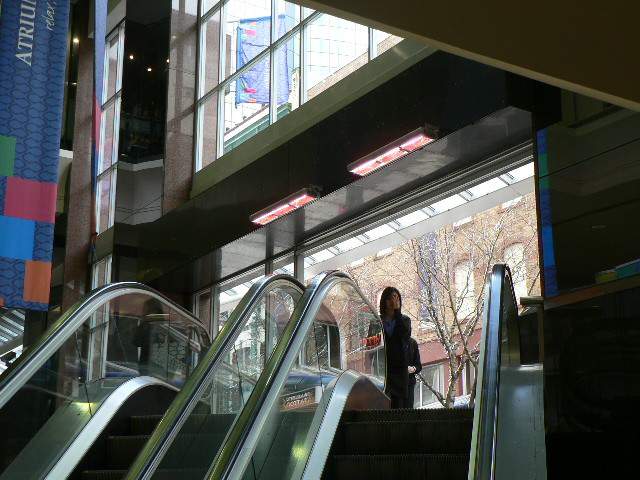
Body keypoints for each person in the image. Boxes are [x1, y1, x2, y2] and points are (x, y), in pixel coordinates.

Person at [378, 286, 412, 409]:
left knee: (398, 406)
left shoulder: (405, 320)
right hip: (382, 369)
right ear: (384, 301)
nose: (393, 301)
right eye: (390, 298)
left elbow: (404, 335)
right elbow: (371, 345)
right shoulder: (377, 321)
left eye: (397, 298)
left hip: (399, 369)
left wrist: (397, 312)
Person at [406, 335, 422, 408]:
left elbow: (419, 366)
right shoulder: (392, 343)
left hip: (409, 384)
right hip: (395, 385)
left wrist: (413, 369)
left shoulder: (412, 343)